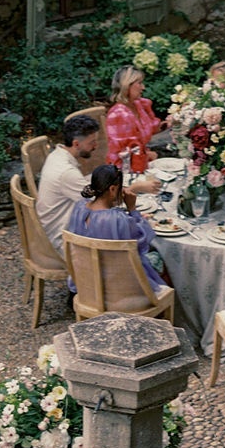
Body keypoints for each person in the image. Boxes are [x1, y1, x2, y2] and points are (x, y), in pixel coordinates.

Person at [36, 113, 158, 254]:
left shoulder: (57, 155)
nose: (96, 146)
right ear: (76, 144)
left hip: (68, 225)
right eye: (91, 142)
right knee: (143, 240)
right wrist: (135, 188)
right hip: (67, 239)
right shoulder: (67, 173)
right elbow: (103, 202)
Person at [65, 161, 167, 289]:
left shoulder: (79, 208)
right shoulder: (118, 219)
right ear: (112, 189)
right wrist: (133, 209)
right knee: (160, 258)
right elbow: (143, 240)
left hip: (87, 284)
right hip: (119, 288)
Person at [106, 65, 167, 164]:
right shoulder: (118, 114)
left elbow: (151, 127)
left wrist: (172, 122)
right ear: (127, 85)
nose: (143, 87)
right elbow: (123, 154)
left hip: (142, 160)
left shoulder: (137, 105)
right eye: (139, 83)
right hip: (124, 168)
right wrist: (148, 155)